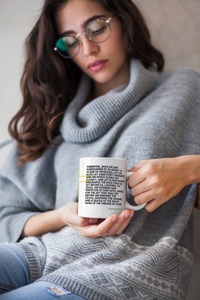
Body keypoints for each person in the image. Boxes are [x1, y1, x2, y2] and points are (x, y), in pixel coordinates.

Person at [0, 0, 200, 299]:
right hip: (36, 255)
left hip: (125, 272)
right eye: (71, 41)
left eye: (96, 29)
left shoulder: (183, 90)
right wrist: (63, 215)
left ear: (123, 21)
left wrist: (190, 169)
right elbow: (6, 217)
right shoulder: (50, 118)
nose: (88, 49)